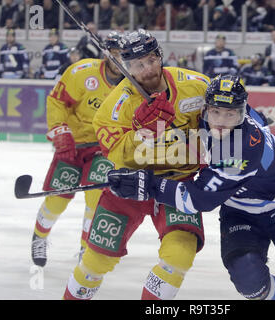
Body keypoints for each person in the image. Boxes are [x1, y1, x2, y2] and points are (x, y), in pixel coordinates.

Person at [106, 74, 275, 300]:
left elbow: (197, 200)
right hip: (240, 213)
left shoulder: (244, 148)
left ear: (241, 114)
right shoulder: (213, 118)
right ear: (206, 109)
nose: (220, 122)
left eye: (230, 115)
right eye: (216, 112)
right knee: (248, 277)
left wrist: (147, 185)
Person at [62, 29, 210, 300]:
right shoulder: (114, 107)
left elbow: (229, 117)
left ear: (160, 56)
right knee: (96, 262)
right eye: (138, 65)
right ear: (127, 67)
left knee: (180, 254)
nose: (148, 69)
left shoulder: (196, 85)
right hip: (131, 184)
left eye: (152, 60)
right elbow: (117, 155)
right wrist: (143, 132)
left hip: (177, 185)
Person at [30, 32, 125, 268]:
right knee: (58, 198)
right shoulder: (82, 72)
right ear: (106, 54)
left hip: (104, 149)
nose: (119, 62)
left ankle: (86, 248)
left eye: (125, 57)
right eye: (115, 56)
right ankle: (39, 237)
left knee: (96, 196)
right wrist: (61, 132)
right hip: (72, 145)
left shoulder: (133, 85)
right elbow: (56, 101)